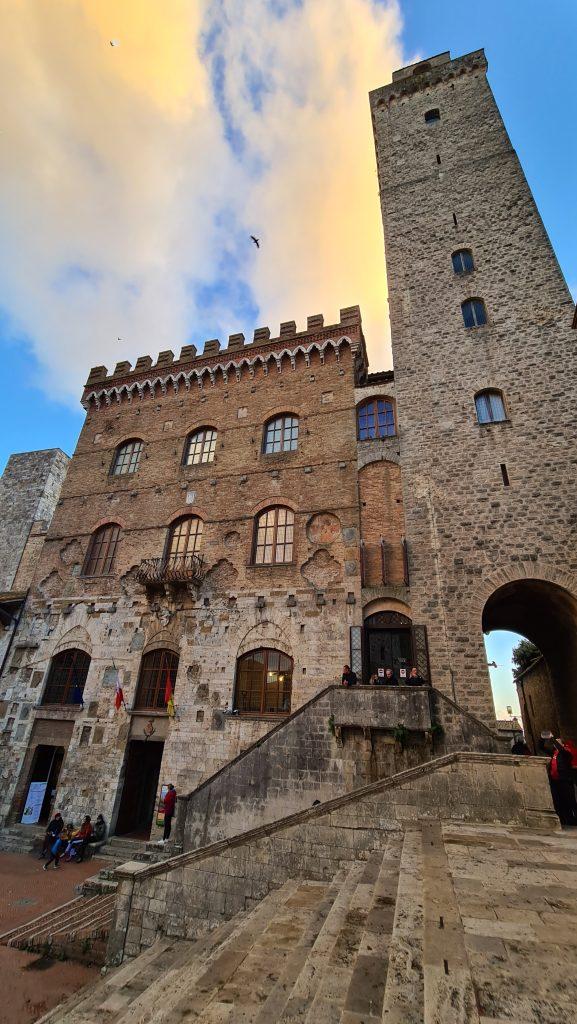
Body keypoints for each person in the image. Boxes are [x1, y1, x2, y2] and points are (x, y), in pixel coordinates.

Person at [548, 738, 577, 826]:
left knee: (570, 800)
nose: (554, 744)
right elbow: (541, 747)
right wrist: (542, 738)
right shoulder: (553, 753)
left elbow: (561, 749)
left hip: (565, 779)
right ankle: (564, 819)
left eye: (557, 743)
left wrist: (552, 739)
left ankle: (574, 819)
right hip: (556, 780)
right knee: (560, 800)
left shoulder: (566, 753)